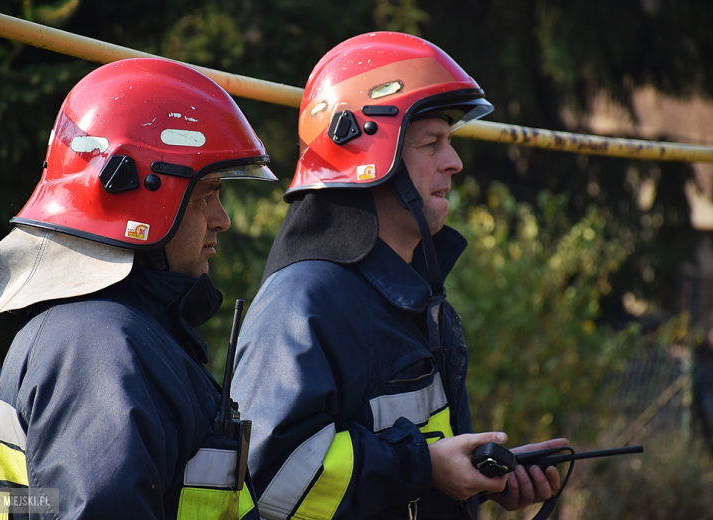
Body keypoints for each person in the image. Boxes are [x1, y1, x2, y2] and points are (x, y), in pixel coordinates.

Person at [231, 32, 567, 520]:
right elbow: (273, 487)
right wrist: (422, 467)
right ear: (368, 157)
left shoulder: (410, 296)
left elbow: (409, 473)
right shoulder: (302, 304)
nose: (454, 162)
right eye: (433, 143)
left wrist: (480, 476)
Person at [0, 58, 276, 519]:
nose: (222, 219)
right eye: (206, 195)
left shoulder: (119, 335)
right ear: (141, 197)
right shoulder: (99, 350)